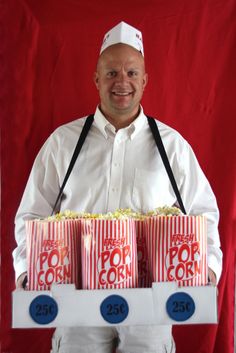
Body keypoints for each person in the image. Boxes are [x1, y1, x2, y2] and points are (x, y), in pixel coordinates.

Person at [13, 21, 222, 353]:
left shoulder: (172, 146)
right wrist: (26, 268)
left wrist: (208, 267)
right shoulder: (61, 144)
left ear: (145, 80)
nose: (122, 82)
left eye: (131, 72)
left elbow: (203, 212)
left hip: (154, 305)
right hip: (75, 302)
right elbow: (32, 214)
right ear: (96, 80)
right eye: (111, 73)